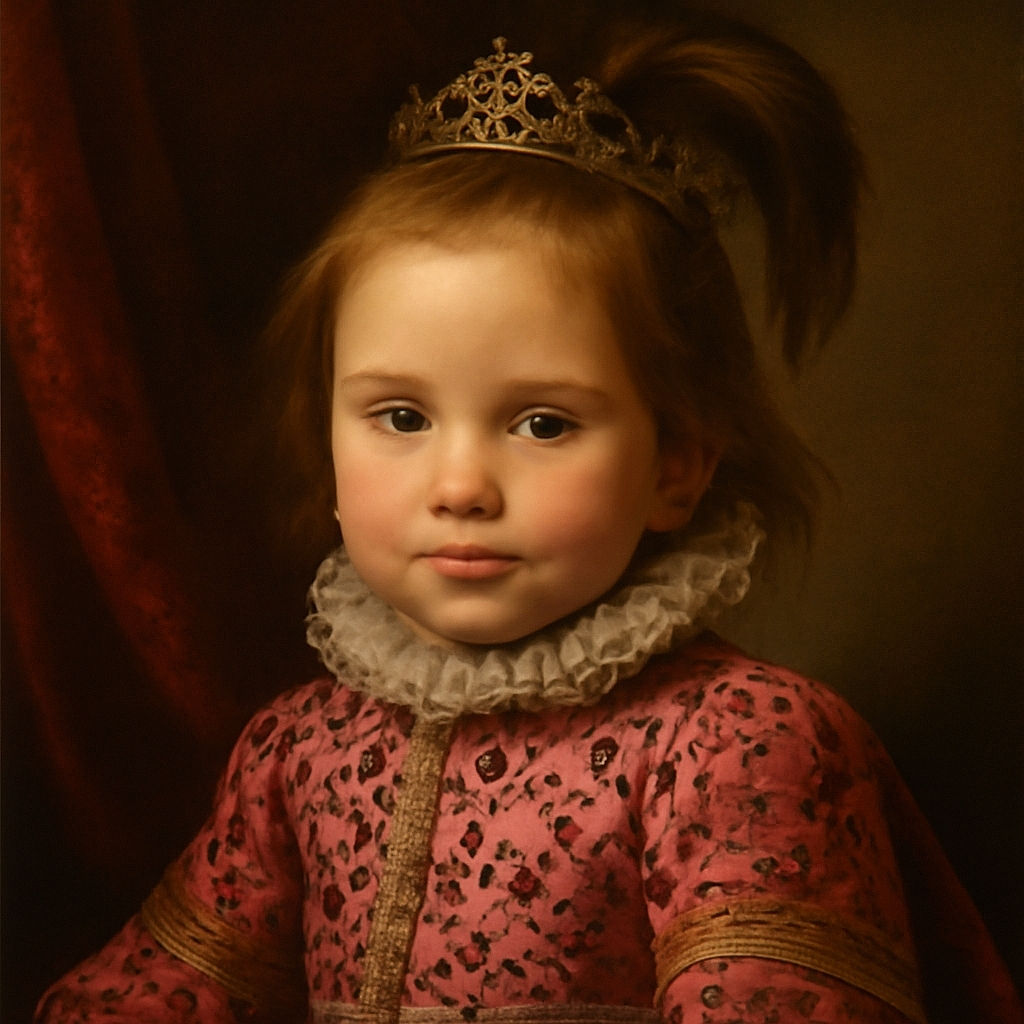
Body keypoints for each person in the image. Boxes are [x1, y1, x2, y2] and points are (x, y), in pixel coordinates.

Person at [36, 16, 1020, 1024]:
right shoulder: (298, 750)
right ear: (325, 450)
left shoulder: (735, 741)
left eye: (543, 423)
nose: (461, 483)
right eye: (401, 417)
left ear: (674, 464)